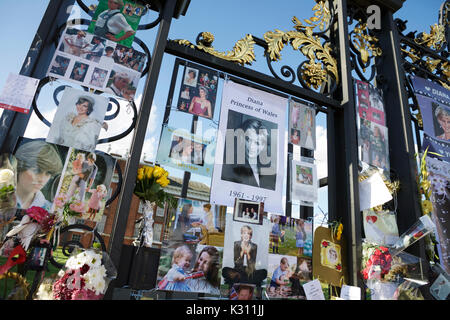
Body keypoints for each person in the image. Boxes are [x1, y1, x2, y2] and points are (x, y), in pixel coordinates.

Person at [221, 118, 276, 190]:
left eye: (257, 143)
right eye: (248, 139)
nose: (251, 146)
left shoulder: (269, 170)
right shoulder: (229, 165)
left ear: (263, 146)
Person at [15, 140, 63, 210]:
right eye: (37, 170)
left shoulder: (50, 209)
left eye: (48, 173)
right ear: (20, 166)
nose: (42, 179)